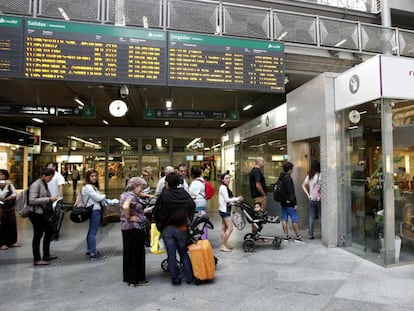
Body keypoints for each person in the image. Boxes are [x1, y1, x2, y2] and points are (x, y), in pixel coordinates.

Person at [154, 172, 195, 286]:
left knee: (171, 255)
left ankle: (175, 279)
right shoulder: (184, 194)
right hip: (182, 228)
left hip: (168, 228)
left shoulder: (164, 194)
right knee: (183, 253)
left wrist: (160, 223)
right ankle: (189, 277)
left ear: (167, 183)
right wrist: (188, 217)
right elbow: (192, 205)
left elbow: (156, 211)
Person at [119, 177, 153, 287]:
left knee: (129, 253)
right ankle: (136, 279)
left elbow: (134, 209)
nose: (141, 190)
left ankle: (129, 278)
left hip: (126, 228)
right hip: (134, 228)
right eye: (141, 187)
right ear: (135, 185)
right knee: (137, 254)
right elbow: (125, 206)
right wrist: (129, 217)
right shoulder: (130, 196)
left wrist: (145, 211)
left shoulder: (125, 194)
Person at [28, 168, 60, 265]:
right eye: (49, 177)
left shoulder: (43, 184)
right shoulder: (36, 185)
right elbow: (32, 200)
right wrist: (49, 199)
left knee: (49, 231)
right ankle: (37, 258)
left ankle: (46, 254)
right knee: (38, 235)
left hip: (43, 213)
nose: (50, 180)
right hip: (36, 214)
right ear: (43, 176)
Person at [82, 169, 106, 259]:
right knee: (93, 232)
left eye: (95, 176)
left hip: (94, 210)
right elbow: (98, 198)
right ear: (88, 177)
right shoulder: (88, 187)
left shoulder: (91, 186)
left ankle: (90, 249)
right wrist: (104, 196)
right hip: (94, 210)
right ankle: (93, 251)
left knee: (91, 231)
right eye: (92, 176)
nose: (94, 178)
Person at [218, 173, 243, 252]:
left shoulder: (224, 187)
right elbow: (227, 199)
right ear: (222, 180)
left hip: (223, 209)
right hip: (225, 211)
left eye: (229, 178)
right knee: (230, 228)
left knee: (224, 228)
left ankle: (224, 244)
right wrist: (237, 198)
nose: (228, 180)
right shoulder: (224, 188)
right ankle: (223, 245)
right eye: (226, 178)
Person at [279, 162, 303, 242]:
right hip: (289, 203)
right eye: (292, 169)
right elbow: (291, 192)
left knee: (284, 219)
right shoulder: (288, 178)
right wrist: (294, 203)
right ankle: (298, 236)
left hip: (283, 202)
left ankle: (286, 235)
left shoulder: (281, 177)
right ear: (289, 169)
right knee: (294, 219)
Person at [301, 160, 321, 239]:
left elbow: (303, 185)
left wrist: (308, 195)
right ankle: (323, 233)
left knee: (311, 216)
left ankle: (310, 234)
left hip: (311, 198)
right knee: (320, 216)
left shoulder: (309, 176)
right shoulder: (320, 176)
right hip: (319, 198)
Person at [0, 169, 20, 250]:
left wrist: (9, 197)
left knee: (11, 224)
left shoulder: (9, 182)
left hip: (9, 206)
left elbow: (14, 193)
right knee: (2, 225)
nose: (0, 176)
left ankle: (11, 241)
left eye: (2, 174)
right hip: (1, 208)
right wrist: (6, 186)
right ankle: (2, 243)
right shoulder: (5, 184)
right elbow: (1, 196)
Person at [249, 156, 267, 234]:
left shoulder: (254, 171)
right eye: (263, 161)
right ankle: (256, 233)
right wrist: (263, 194)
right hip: (259, 197)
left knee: (257, 216)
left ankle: (256, 233)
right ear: (258, 162)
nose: (264, 163)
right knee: (259, 216)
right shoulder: (256, 172)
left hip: (257, 196)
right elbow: (258, 185)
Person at [189, 166, 208, 240]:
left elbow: (191, 194)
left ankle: (198, 237)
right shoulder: (201, 181)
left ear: (192, 174)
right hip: (202, 203)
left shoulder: (195, 183)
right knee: (201, 220)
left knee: (196, 221)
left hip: (197, 204)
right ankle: (202, 236)